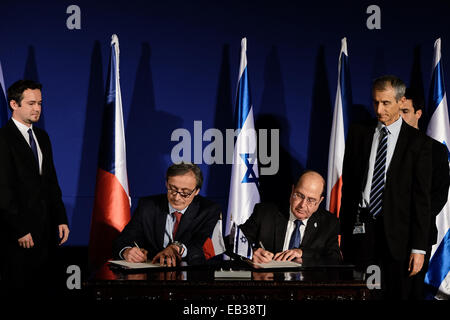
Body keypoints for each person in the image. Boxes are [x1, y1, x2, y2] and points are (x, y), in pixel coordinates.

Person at [340, 75, 432, 299]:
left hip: (400, 241)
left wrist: (419, 248)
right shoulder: (359, 133)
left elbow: (422, 200)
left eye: (386, 103)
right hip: (364, 237)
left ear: (401, 102)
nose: (379, 109)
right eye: (375, 102)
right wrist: (343, 232)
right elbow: (349, 187)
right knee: (369, 294)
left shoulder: (418, 143)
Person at [0, 80, 69, 294]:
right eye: (31, 103)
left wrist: (60, 218)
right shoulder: (3, 139)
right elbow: (3, 189)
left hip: (45, 231)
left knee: (44, 286)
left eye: (39, 103)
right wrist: (19, 228)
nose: (37, 108)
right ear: (14, 104)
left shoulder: (42, 137)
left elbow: (50, 182)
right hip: (16, 234)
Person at [113, 163, 221, 266]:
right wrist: (126, 251)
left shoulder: (208, 210)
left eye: (185, 192)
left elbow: (201, 245)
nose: (176, 197)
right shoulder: (148, 206)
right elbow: (123, 240)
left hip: (190, 275)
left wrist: (176, 248)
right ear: (166, 184)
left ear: (196, 191)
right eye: (172, 189)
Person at [401, 87, 450, 299]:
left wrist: (413, 218)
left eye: (404, 111)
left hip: (418, 237)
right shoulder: (384, 147)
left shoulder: (436, 150)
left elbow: (439, 195)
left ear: (418, 113)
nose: (398, 117)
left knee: (412, 293)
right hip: (385, 238)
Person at [239, 170, 341, 264]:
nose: (302, 204)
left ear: (319, 201)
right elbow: (232, 241)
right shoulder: (265, 213)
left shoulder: (328, 223)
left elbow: (334, 258)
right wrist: (250, 253)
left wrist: (303, 253)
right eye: (300, 195)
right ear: (292, 191)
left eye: (310, 200)